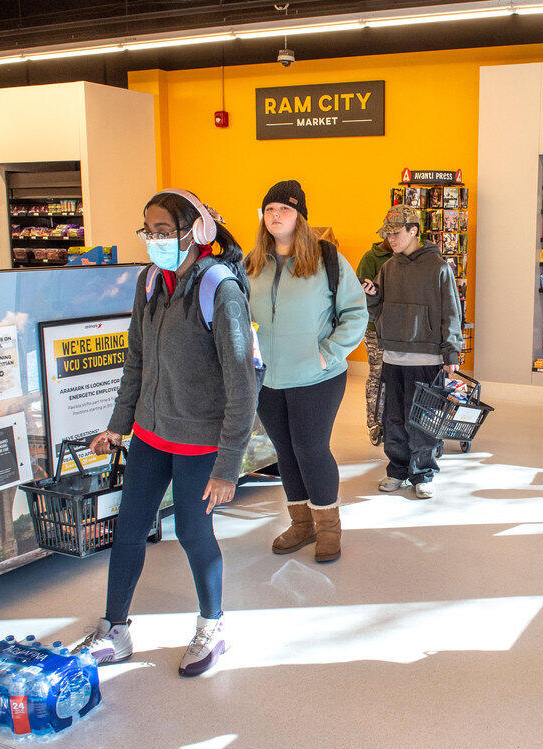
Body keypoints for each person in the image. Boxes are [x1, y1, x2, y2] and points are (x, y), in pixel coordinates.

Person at [73, 189, 258, 677]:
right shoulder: (151, 281)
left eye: (163, 232)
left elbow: (243, 384)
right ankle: (115, 629)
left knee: (194, 532)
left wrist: (228, 466)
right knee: (129, 529)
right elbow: (135, 358)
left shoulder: (220, 288)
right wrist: (118, 425)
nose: (154, 241)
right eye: (148, 232)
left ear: (196, 232)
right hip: (151, 434)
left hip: (201, 440)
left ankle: (212, 626)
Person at [247, 180, 367, 563]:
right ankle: (301, 524)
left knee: (311, 449)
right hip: (267, 378)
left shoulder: (325, 258)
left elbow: (355, 312)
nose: (276, 215)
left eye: (284, 209)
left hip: (317, 376)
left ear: (300, 217)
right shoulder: (251, 264)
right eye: (269, 209)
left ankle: (328, 527)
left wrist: (328, 354)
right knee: (284, 451)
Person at [361, 205, 463, 499]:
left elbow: (451, 313)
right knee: (393, 418)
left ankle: (423, 472)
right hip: (393, 356)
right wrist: (372, 296)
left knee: (423, 419)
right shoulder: (387, 267)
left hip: (427, 357)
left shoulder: (439, 268)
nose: (391, 239)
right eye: (387, 234)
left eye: (396, 233)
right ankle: (397, 469)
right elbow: (378, 309)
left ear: (413, 230)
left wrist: (451, 353)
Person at [356, 237, 392, 446]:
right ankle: (375, 422)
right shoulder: (370, 258)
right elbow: (360, 295)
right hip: (374, 329)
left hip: (396, 329)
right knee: (377, 374)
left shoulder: (405, 256)